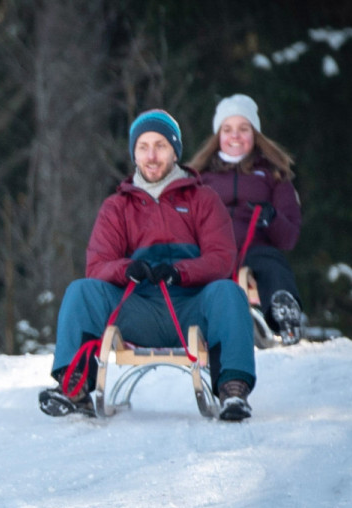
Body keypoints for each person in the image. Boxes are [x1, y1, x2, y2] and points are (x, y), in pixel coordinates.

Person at [39, 110, 256, 421]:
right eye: (143, 147)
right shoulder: (118, 207)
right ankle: (74, 386)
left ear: (175, 151)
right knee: (82, 291)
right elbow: (98, 264)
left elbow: (222, 259)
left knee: (229, 292)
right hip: (137, 309)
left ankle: (232, 390)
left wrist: (182, 272)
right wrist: (126, 269)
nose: (152, 156)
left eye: (160, 146)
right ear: (134, 153)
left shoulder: (203, 199)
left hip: (192, 309)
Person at [187, 93, 305, 343]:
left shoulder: (274, 175)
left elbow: (289, 238)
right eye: (228, 129)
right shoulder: (199, 178)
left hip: (256, 247)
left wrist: (271, 217)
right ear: (218, 135)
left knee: (271, 264)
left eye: (243, 129)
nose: (235, 136)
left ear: (255, 134)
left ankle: (284, 315)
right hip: (212, 248)